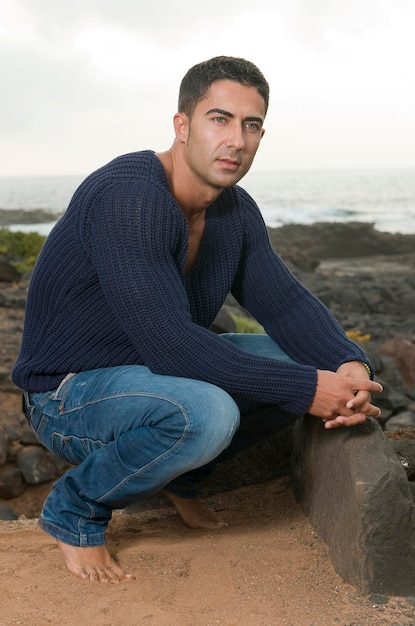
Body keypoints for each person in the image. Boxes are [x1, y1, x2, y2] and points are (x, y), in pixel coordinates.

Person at [12, 56, 383, 583]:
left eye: (251, 125)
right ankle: (75, 510)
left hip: (151, 374)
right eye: (219, 119)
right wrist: (306, 388)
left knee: (304, 361)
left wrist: (347, 365)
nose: (236, 139)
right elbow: (170, 344)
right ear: (182, 125)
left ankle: (184, 476)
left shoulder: (233, 209)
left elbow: (284, 303)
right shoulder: (130, 197)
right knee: (206, 413)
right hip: (69, 393)